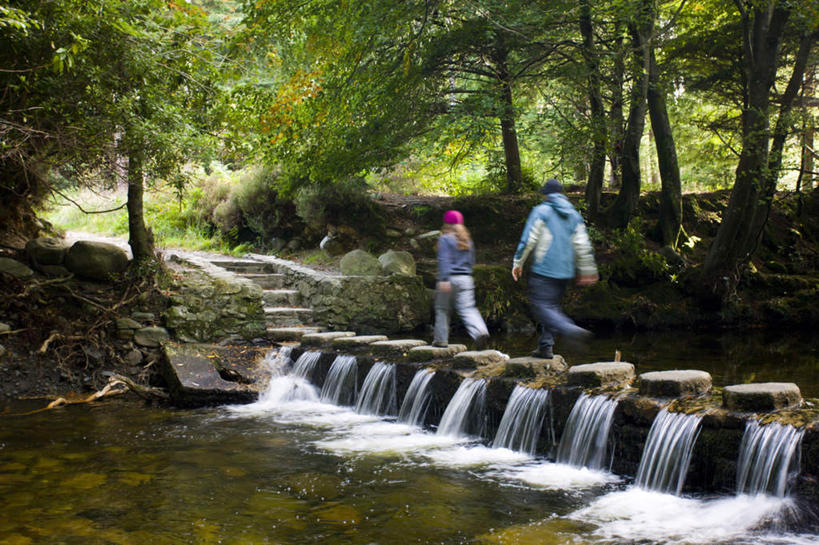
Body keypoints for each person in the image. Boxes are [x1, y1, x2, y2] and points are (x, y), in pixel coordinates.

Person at [512, 178, 599, 359]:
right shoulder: (573, 214)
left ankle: (570, 330)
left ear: (546, 195)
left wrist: (518, 263)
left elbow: (528, 239)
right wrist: (588, 269)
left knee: (541, 305)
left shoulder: (541, 211)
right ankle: (545, 347)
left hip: (544, 267)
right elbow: (582, 244)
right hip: (565, 271)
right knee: (552, 306)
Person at [432, 209, 490, 349]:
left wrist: (444, 279)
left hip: (449, 279)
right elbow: (471, 261)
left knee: (442, 309)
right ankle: (480, 332)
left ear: (446, 223)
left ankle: (441, 340)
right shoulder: (467, 240)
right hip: (466, 279)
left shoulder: (445, 239)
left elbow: (444, 259)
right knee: (467, 309)